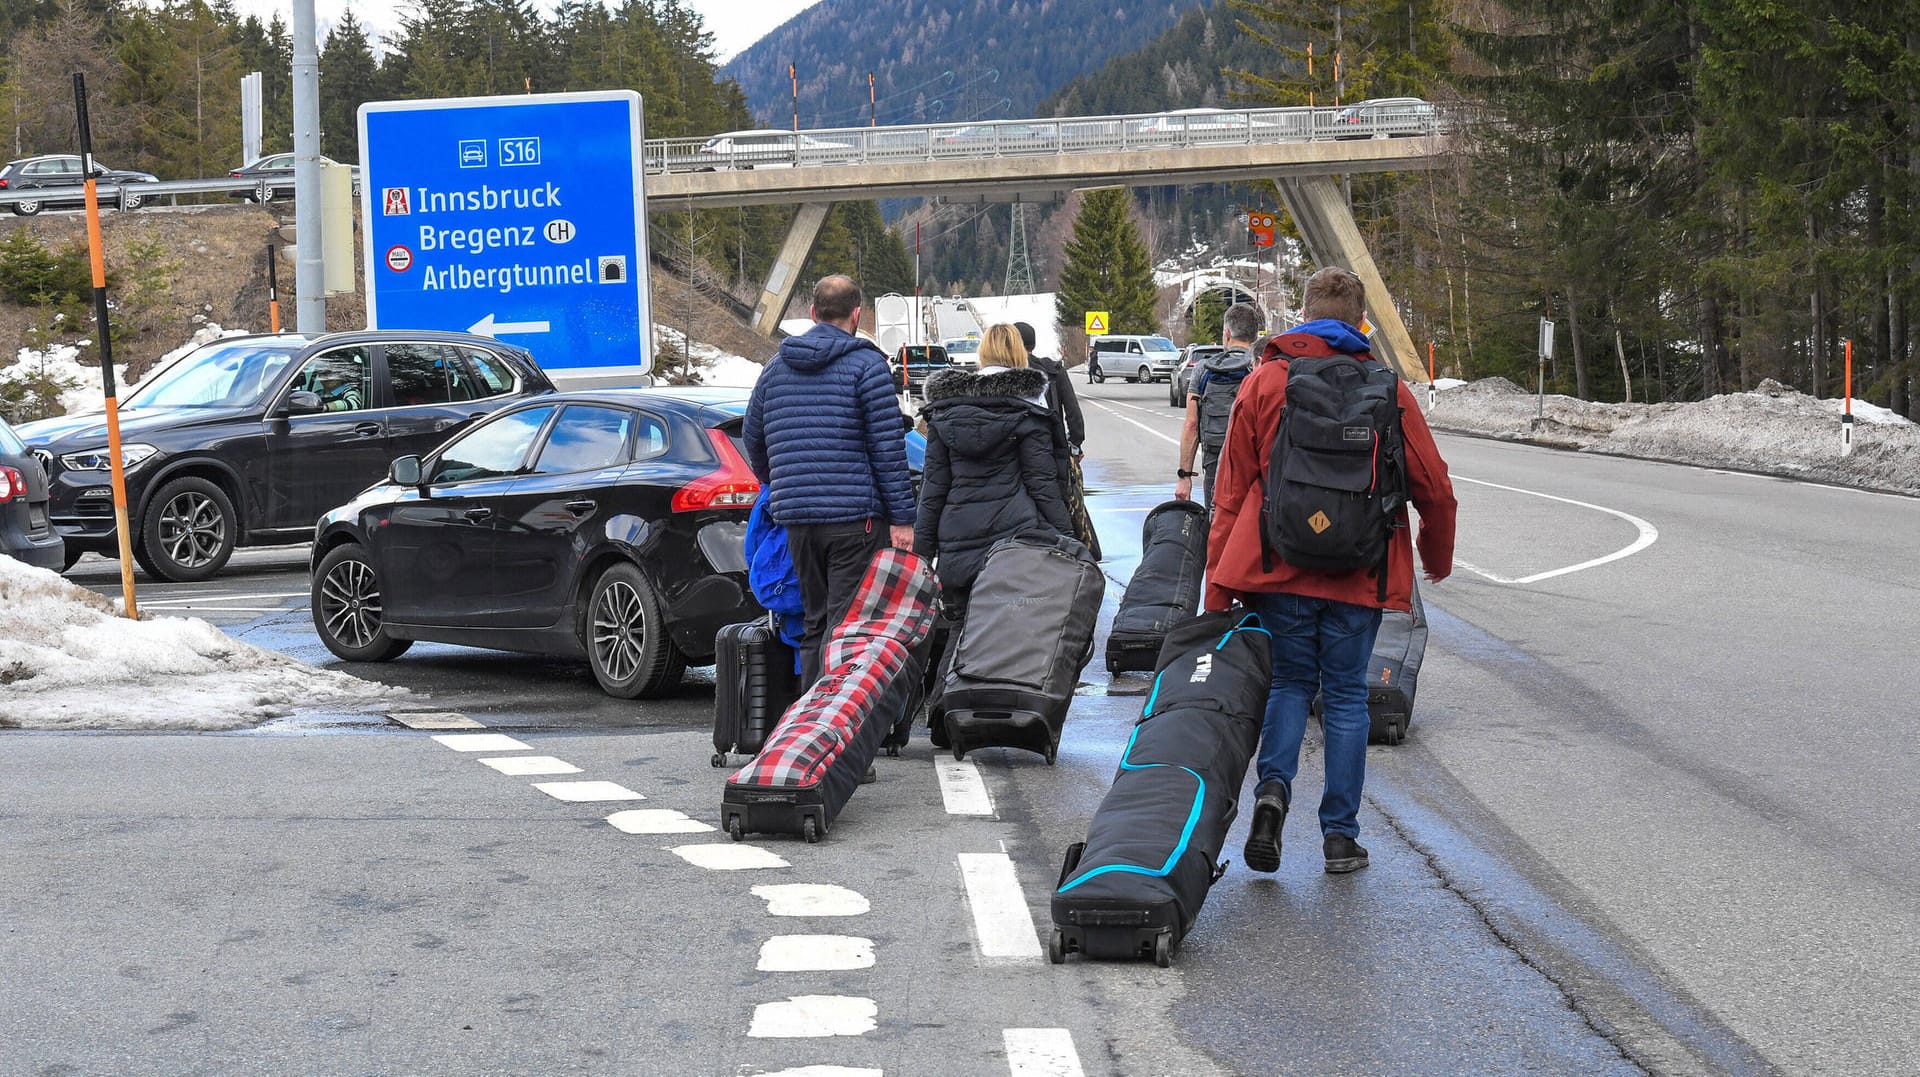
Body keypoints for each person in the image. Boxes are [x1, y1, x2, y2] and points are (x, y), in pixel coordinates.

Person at [1203, 266, 1457, 875]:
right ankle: (1340, 837)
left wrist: (1216, 586)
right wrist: (1436, 558)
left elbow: (1231, 492)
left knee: (1289, 684)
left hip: (1279, 566)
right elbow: (1436, 490)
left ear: (1304, 314)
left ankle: (1272, 795)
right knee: (1345, 697)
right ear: (1359, 320)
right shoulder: (1388, 390)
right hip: (1359, 571)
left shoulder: (1265, 381)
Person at [743, 274, 916, 685]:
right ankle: (834, 732)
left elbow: (753, 437)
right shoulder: (867, 367)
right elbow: (888, 449)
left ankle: (807, 728)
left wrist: (782, 482)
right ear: (857, 315)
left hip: (798, 521)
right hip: (855, 521)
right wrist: (903, 519)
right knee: (847, 628)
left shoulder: (774, 369)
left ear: (812, 313)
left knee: (813, 623)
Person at [915, 323, 1071, 614]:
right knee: (1012, 634)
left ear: (982, 354)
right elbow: (1042, 484)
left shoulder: (944, 412)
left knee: (961, 631)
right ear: (1019, 354)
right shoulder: (1029, 412)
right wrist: (1069, 539)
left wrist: (921, 552)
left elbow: (933, 487)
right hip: (1014, 542)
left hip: (956, 540)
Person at [1015, 321, 1101, 557]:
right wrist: (1075, 444)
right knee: (1064, 507)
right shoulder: (1053, 371)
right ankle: (1072, 554)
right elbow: (1073, 412)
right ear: (1033, 343)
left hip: (1020, 455)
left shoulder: (1010, 374)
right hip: (1056, 451)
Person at [1175, 303, 1262, 507]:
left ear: (1227, 333)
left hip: (1215, 468)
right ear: (1255, 336)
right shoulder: (1262, 368)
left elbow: (1191, 425)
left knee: (1216, 526)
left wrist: (1184, 477)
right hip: (1255, 469)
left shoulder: (1204, 370)